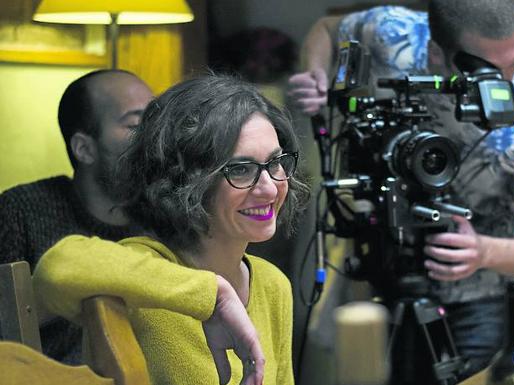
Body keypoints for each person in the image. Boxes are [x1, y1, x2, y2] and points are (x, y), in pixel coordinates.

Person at [288, 0, 514, 378]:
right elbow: (326, 29)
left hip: (472, 306)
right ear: (436, 51)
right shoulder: (392, 34)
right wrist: (317, 76)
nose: (504, 82)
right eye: (485, 69)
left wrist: (484, 250)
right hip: (375, 279)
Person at [32, 73, 311, 385]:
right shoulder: (144, 270)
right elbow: (57, 268)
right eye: (241, 170)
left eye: (276, 162)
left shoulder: (273, 285)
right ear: (186, 181)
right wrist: (213, 296)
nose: (271, 188)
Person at [0, 69, 153, 363]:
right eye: (136, 125)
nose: (153, 137)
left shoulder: (167, 216)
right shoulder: (21, 211)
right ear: (84, 148)